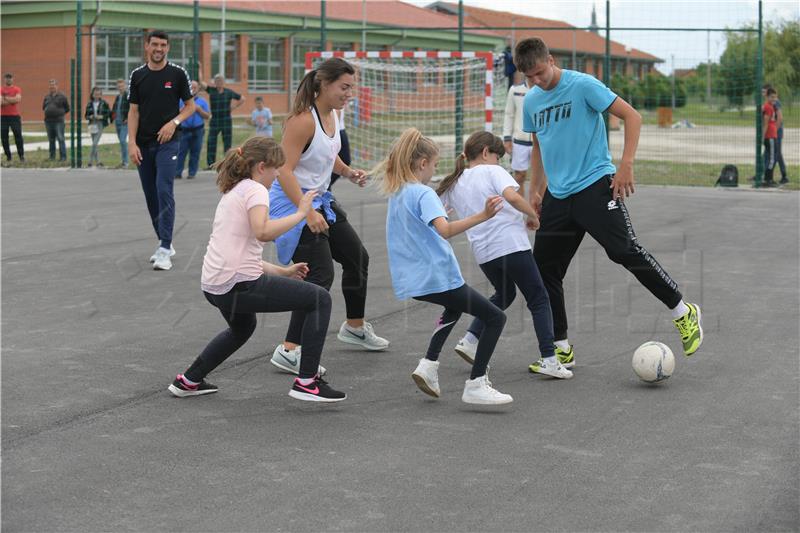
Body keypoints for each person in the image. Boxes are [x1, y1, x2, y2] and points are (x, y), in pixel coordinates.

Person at [515, 37, 703, 373]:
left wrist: (626, 163)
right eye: (530, 77)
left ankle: (682, 311)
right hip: (558, 195)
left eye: (540, 73)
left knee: (624, 251)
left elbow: (632, 117)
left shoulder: (583, 85)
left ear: (552, 60)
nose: (537, 81)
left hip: (594, 185)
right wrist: (535, 190)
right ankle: (560, 349)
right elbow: (538, 146)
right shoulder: (531, 101)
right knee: (544, 269)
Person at [168, 136, 346, 402]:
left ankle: (189, 380)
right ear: (261, 167)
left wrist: (283, 271)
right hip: (239, 284)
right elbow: (263, 232)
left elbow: (239, 254)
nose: (278, 175)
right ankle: (307, 382)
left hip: (215, 284)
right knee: (319, 298)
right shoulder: (255, 190)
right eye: (276, 169)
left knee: (242, 327)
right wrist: (300, 214)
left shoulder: (234, 191)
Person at [269, 58, 389, 375]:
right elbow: (283, 170)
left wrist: (347, 171)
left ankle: (354, 327)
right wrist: (305, 212)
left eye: (352, 87)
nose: (349, 93)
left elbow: (326, 151)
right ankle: (289, 349)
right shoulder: (301, 121)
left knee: (357, 258)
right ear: (323, 84)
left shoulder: (333, 114)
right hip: (293, 203)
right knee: (318, 276)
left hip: (319, 200)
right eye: (344, 87)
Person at [375, 128, 512, 405]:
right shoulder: (423, 194)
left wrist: (438, 214)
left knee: (454, 307)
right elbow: (445, 231)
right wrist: (483, 215)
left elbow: (422, 226)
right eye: (435, 164)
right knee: (496, 318)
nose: (435, 170)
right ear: (423, 164)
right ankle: (476, 384)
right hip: (438, 276)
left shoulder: (399, 192)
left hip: (414, 279)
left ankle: (429, 364)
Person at [437, 131, 572, 380]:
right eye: (498, 157)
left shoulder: (455, 181)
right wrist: (532, 215)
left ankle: (469, 339)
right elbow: (512, 196)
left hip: (484, 252)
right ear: (487, 152)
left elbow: (437, 213)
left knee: (505, 293)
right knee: (539, 298)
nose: (499, 162)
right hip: (510, 245)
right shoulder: (493, 171)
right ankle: (550, 359)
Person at [127, 30, 195, 271]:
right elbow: (133, 112)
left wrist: (173, 123)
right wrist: (131, 143)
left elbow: (190, 107)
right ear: (147, 46)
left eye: (163, 45)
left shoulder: (177, 74)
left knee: (164, 189)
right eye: (154, 44)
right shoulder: (137, 76)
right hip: (143, 145)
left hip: (169, 143)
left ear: (167, 47)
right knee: (151, 195)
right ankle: (164, 240)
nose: (159, 48)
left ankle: (165, 248)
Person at [502, 71, 532, 197]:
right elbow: (509, 114)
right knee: (519, 176)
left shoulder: (547, 90)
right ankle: (519, 213)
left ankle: (539, 213)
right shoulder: (515, 90)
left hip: (542, 142)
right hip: (520, 141)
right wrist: (507, 137)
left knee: (542, 178)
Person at [206, 74, 244, 167]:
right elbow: (202, 84)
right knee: (211, 141)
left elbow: (242, 98)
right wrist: (199, 70)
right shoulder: (211, 90)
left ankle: (228, 163)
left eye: (221, 81)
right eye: (217, 81)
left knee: (227, 142)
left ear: (224, 82)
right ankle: (210, 164)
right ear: (214, 82)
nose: (219, 83)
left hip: (226, 120)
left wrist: (234, 106)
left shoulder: (229, 92)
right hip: (215, 120)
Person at [176, 80, 210, 180]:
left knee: (195, 152)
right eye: (191, 87)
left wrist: (199, 110)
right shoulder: (181, 101)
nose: (193, 89)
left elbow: (207, 116)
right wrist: (183, 109)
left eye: (195, 87)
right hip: (184, 130)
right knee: (181, 152)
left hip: (198, 130)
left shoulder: (202, 101)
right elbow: (175, 114)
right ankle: (177, 172)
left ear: (198, 89)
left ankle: (192, 173)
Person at [42, 78, 69, 162]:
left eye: (53, 85)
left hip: (59, 121)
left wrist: (60, 113)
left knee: (60, 138)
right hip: (48, 121)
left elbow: (67, 108)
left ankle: (63, 157)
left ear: (57, 86)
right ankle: (52, 157)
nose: (52, 86)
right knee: (51, 140)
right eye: (50, 85)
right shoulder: (46, 97)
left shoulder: (62, 96)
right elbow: (43, 107)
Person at [84, 87, 111, 167]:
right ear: (92, 94)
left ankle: (90, 161)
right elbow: (86, 116)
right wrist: (90, 117)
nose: (97, 95)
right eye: (95, 94)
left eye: (98, 94)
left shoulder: (104, 103)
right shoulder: (89, 104)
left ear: (100, 95)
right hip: (92, 123)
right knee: (94, 143)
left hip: (100, 123)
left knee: (95, 143)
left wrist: (102, 116)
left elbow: (108, 114)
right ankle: (98, 161)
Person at [1, 73, 24, 162]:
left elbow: (18, 99)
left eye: (10, 78)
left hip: (14, 116)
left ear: (12, 79)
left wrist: (5, 98)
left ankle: (21, 155)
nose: (8, 80)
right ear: (4, 79)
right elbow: (0, 102)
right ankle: (8, 156)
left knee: (18, 136)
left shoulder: (17, 89)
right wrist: (12, 100)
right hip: (3, 117)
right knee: (4, 137)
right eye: (7, 78)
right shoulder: (1, 89)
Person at [328, 106, 351, 190]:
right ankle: (325, 188)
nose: (349, 94)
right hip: (333, 128)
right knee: (327, 160)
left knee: (345, 160)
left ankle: (326, 186)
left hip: (340, 127)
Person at [761, 87, 779, 187]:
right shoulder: (768, 107)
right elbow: (766, 123)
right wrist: (763, 137)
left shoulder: (771, 106)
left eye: (775, 97)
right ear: (767, 97)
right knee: (772, 158)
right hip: (770, 136)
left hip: (773, 135)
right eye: (772, 97)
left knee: (771, 157)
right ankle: (768, 180)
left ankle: (769, 179)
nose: (774, 99)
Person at [112, 79, 130, 168]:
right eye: (119, 86)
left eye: (122, 86)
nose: (120, 88)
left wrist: (127, 118)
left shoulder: (128, 96)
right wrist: (113, 118)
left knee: (123, 141)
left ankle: (126, 162)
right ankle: (123, 161)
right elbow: (114, 108)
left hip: (125, 123)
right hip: (117, 122)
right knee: (121, 142)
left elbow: (132, 108)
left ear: (125, 86)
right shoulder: (117, 97)